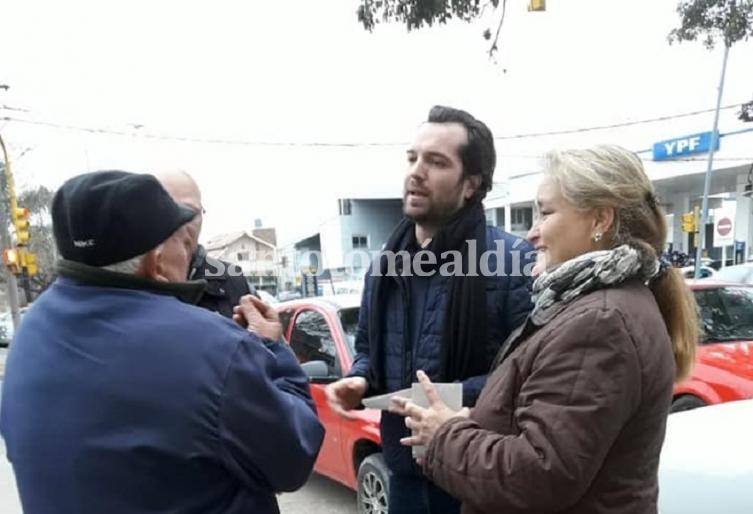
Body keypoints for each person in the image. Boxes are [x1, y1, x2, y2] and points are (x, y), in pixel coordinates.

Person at [392, 145, 699, 514]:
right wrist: (476, 422)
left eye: (546, 213)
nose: (532, 234)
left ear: (600, 219)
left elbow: (540, 475)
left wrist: (444, 436)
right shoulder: (596, 306)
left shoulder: (599, 323)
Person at [0, 170, 324, 514]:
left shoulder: (28, 337)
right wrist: (274, 349)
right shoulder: (213, 347)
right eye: (183, 242)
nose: (190, 250)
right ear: (155, 261)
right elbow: (293, 457)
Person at [325, 105, 534, 514]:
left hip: (475, 481)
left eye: (436, 162)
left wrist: (437, 400)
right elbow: (368, 349)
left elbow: (526, 377)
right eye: (412, 158)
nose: (416, 172)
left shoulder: (513, 262)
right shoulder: (383, 266)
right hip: (403, 473)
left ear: (470, 184)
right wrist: (359, 380)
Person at [156, 169, 253, 319]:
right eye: (166, 210)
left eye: (189, 211)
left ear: (202, 216)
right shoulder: (129, 279)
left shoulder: (231, 280)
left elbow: (265, 338)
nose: (179, 222)